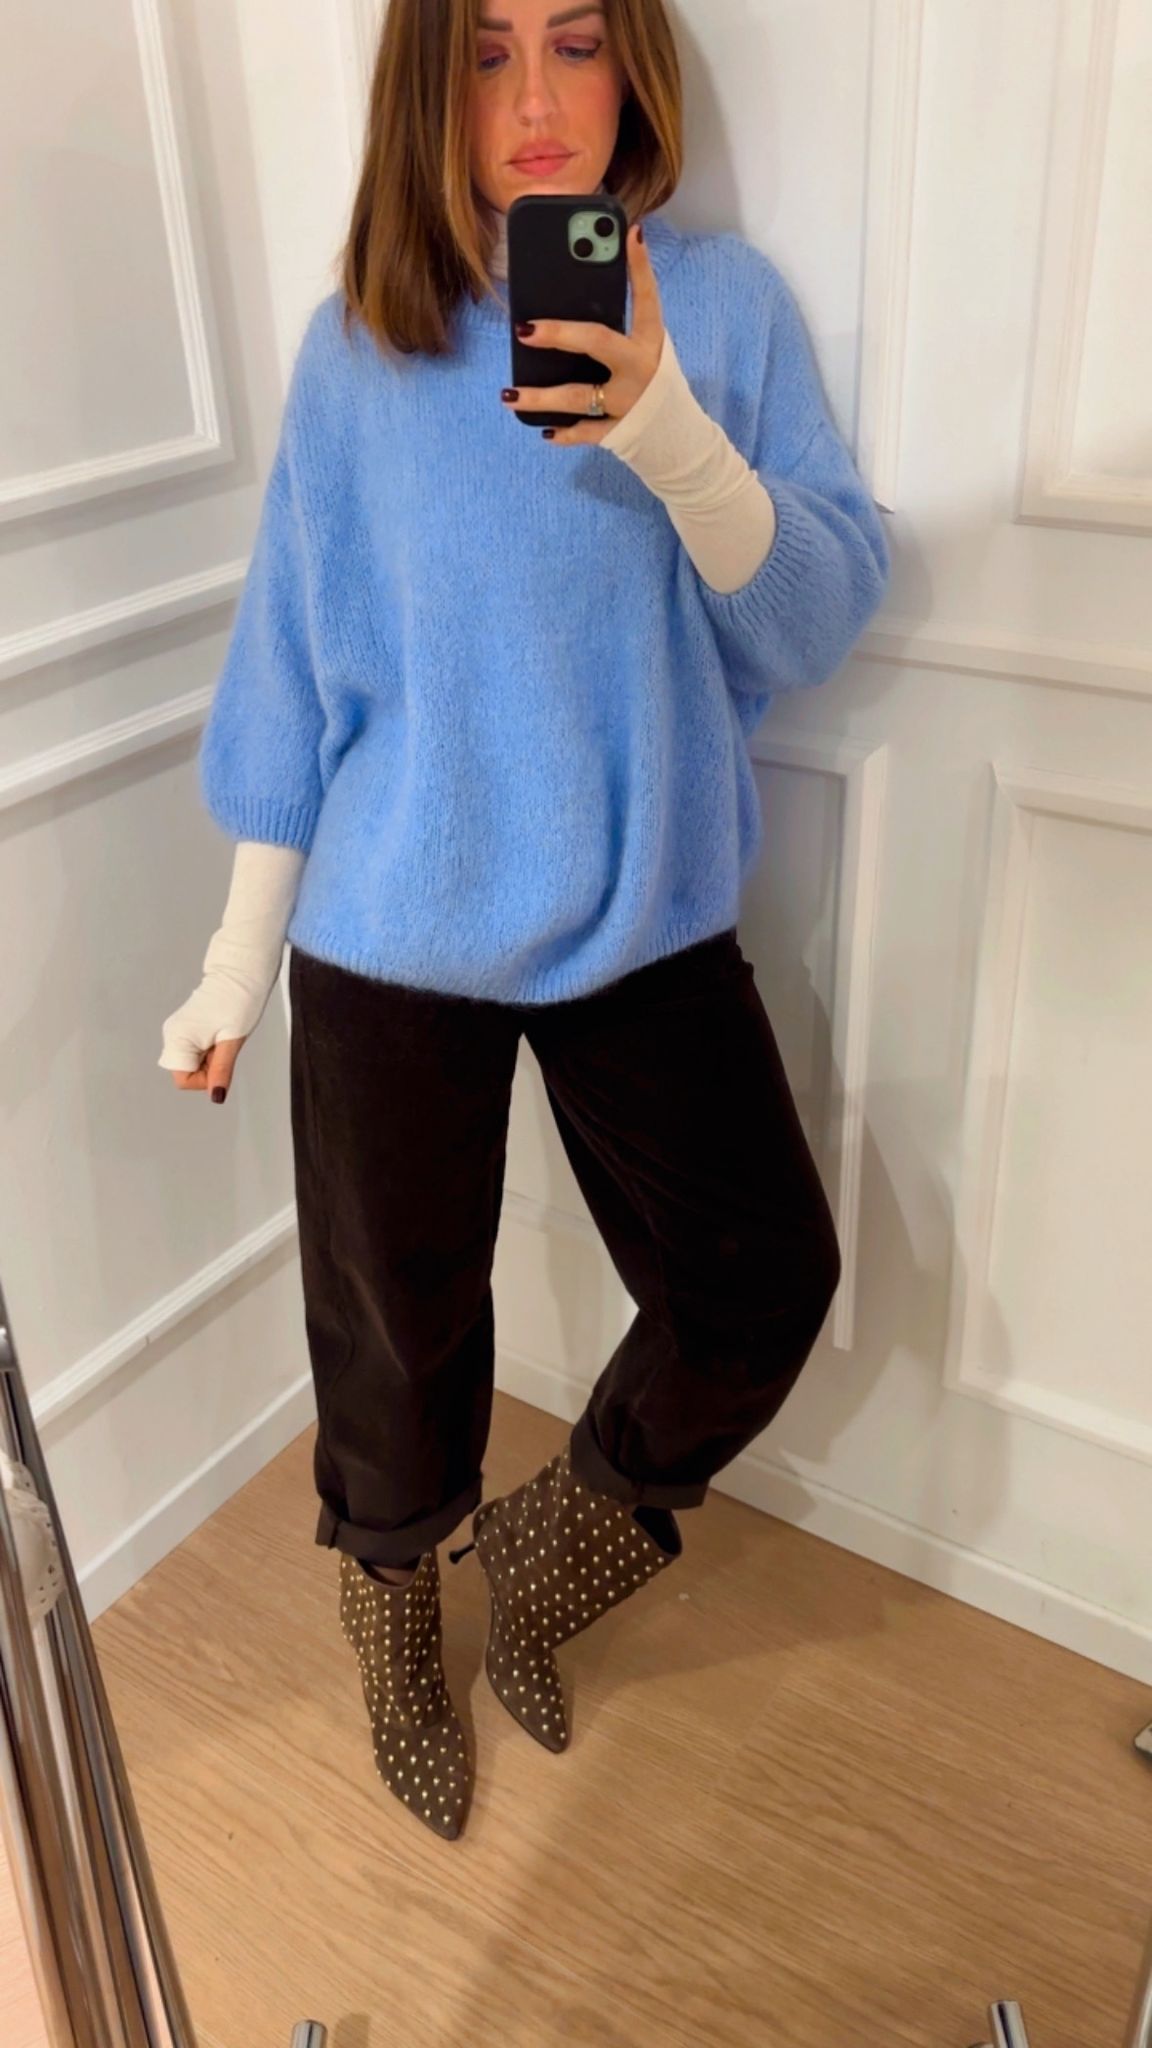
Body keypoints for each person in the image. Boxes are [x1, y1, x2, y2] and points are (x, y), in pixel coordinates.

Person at [158, 0, 890, 1842]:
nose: (542, 99)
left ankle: (551, 1558)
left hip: (643, 912)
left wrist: (666, 426)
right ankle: (397, 1609)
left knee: (760, 1279)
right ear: (434, 82)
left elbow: (813, 618)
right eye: (489, 53)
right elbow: (299, 669)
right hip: (391, 930)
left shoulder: (718, 312)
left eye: (578, 42)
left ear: (636, 62)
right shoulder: (362, 347)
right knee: (396, 1341)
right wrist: (238, 956)